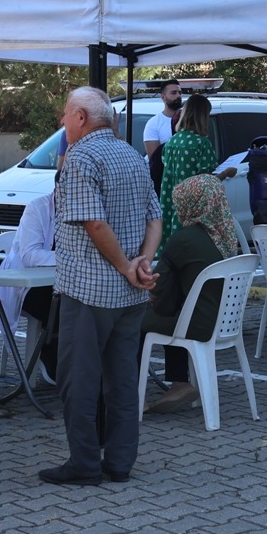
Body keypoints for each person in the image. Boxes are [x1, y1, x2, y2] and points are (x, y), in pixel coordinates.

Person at [39, 87, 161, 486]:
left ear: (80, 117)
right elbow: (155, 218)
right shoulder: (131, 154)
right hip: (131, 294)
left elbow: (94, 223)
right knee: (122, 380)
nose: (62, 121)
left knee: (79, 381)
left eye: (65, 114)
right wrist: (142, 262)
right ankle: (120, 462)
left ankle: (85, 463)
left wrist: (127, 266)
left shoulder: (81, 157)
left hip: (90, 290)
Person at [143, 174, 241, 415]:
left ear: (191, 203)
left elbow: (157, 288)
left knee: (133, 322)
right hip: (225, 323)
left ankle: (129, 396)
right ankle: (179, 382)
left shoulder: (183, 239)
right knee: (174, 311)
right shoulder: (227, 236)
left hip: (197, 324)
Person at [1, 188, 59, 381]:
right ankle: (47, 350)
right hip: (25, 285)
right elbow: (30, 255)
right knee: (57, 302)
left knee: (77, 299)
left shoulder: (81, 210)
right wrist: (69, 257)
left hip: (56, 281)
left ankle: (62, 352)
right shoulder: (37, 208)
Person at [157, 94, 219, 255]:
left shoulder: (171, 142)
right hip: (191, 207)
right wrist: (226, 173)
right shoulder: (202, 143)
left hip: (170, 203)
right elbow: (206, 179)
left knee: (171, 249)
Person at [142, 79, 184, 186]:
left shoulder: (189, 121)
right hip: (163, 181)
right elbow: (154, 158)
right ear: (163, 97)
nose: (178, 96)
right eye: (174, 93)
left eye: (180, 92)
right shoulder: (153, 123)